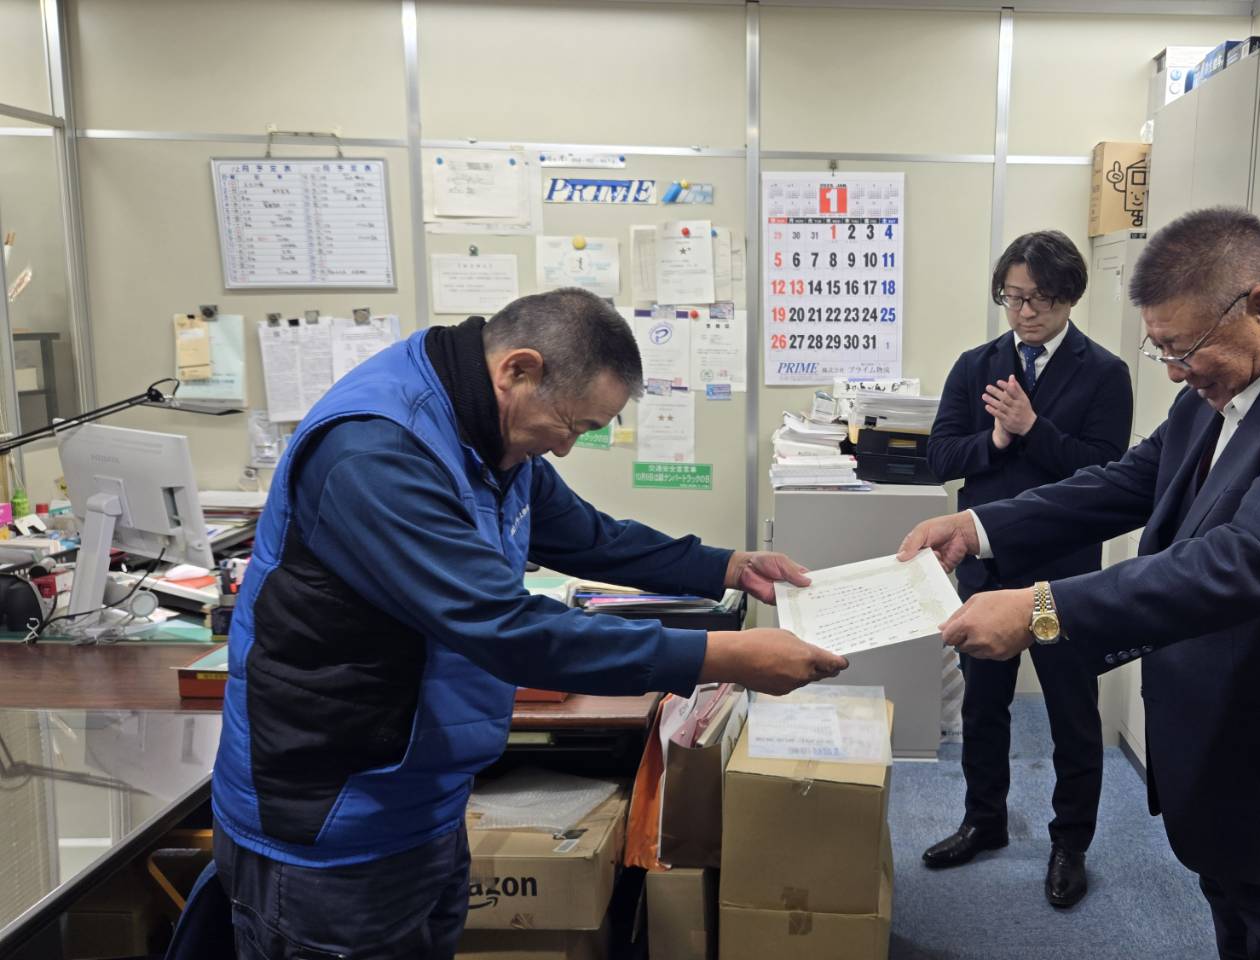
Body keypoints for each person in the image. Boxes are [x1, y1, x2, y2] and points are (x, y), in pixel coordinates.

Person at [899, 208, 1260, 959]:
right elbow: (1124, 482)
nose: (1173, 370)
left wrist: (1040, 609)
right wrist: (977, 527)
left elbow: (1238, 562)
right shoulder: (1220, 394)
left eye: (1183, 349)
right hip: (1244, 793)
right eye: (1160, 349)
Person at [211, 288, 847, 959]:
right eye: (572, 425)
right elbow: (506, 627)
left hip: (420, 794)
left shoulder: (488, 429)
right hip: (331, 815)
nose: (566, 449)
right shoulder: (377, 452)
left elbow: (587, 536)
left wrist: (726, 567)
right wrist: (723, 657)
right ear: (518, 369)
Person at [920, 230, 1132, 908]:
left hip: (1060, 581)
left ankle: (1070, 842)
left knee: (1071, 712)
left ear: (1069, 297)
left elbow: (1107, 475)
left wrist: (1034, 428)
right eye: (1012, 298)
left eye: (1038, 299)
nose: (1024, 312)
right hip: (988, 572)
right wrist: (995, 438)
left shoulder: (1104, 373)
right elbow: (941, 457)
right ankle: (982, 820)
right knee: (983, 707)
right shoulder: (975, 365)